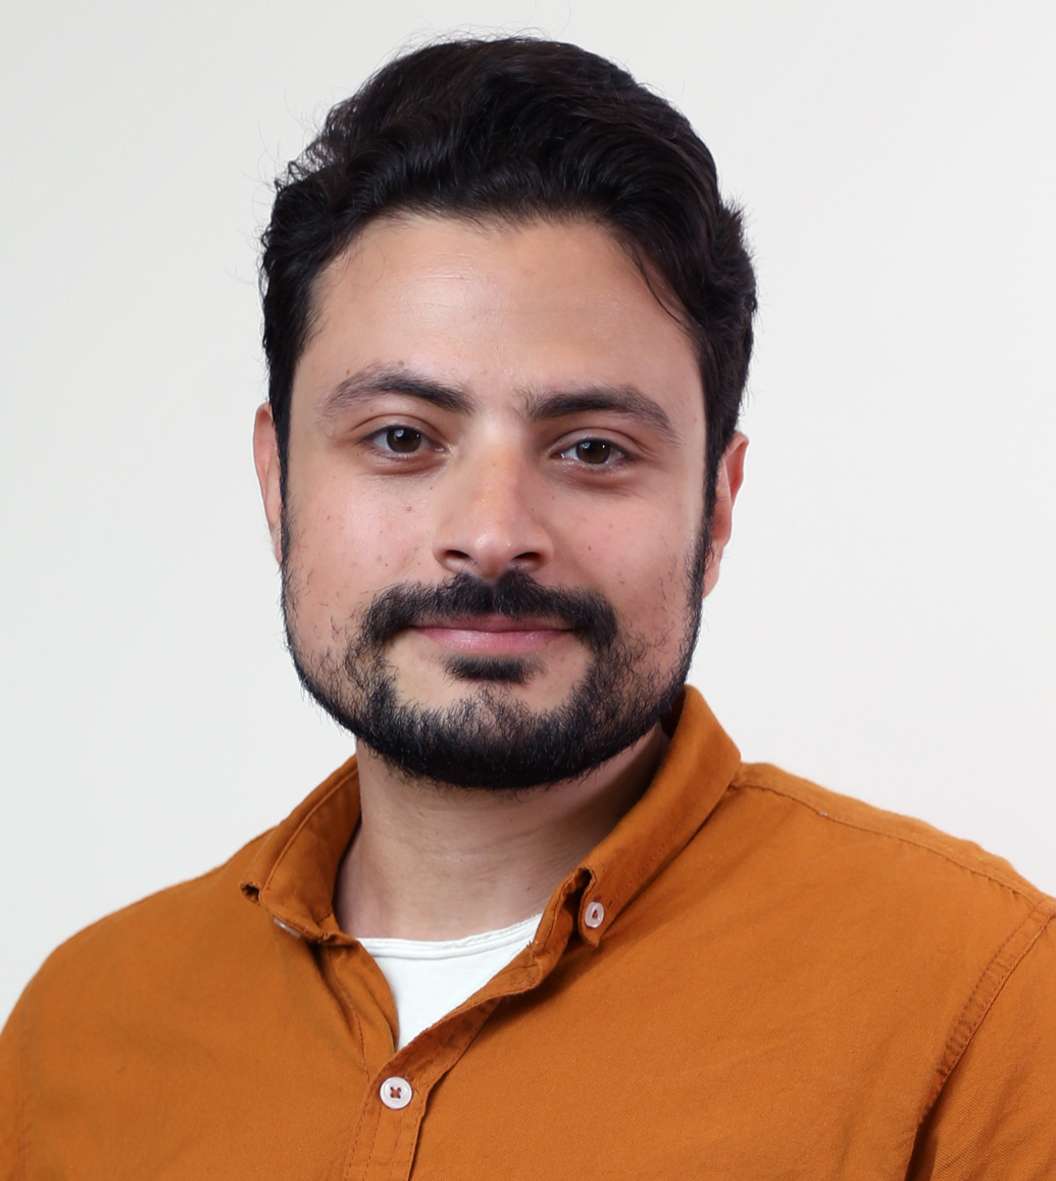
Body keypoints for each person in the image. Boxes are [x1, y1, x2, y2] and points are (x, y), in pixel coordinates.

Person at [2, 35, 1053, 1179]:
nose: (494, 530)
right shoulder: (76, 1030)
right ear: (277, 481)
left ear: (717, 506)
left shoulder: (984, 1002)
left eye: (593, 448)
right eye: (400, 437)